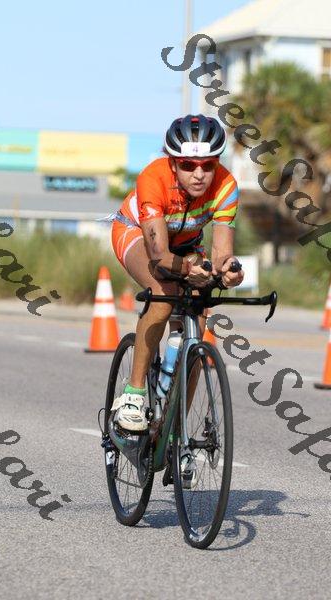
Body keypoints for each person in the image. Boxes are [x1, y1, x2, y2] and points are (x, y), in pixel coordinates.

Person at [110, 114, 244, 432]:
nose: (198, 174)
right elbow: (159, 256)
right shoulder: (153, 178)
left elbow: (222, 254)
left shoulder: (226, 185)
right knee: (164, 294)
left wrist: (229, 272)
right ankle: (134, 395)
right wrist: (188, 269)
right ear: (173, 162)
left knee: (198, 315)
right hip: (137, 235)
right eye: (187, 165)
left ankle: (175, 428)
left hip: (186, 245)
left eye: (208, 165)